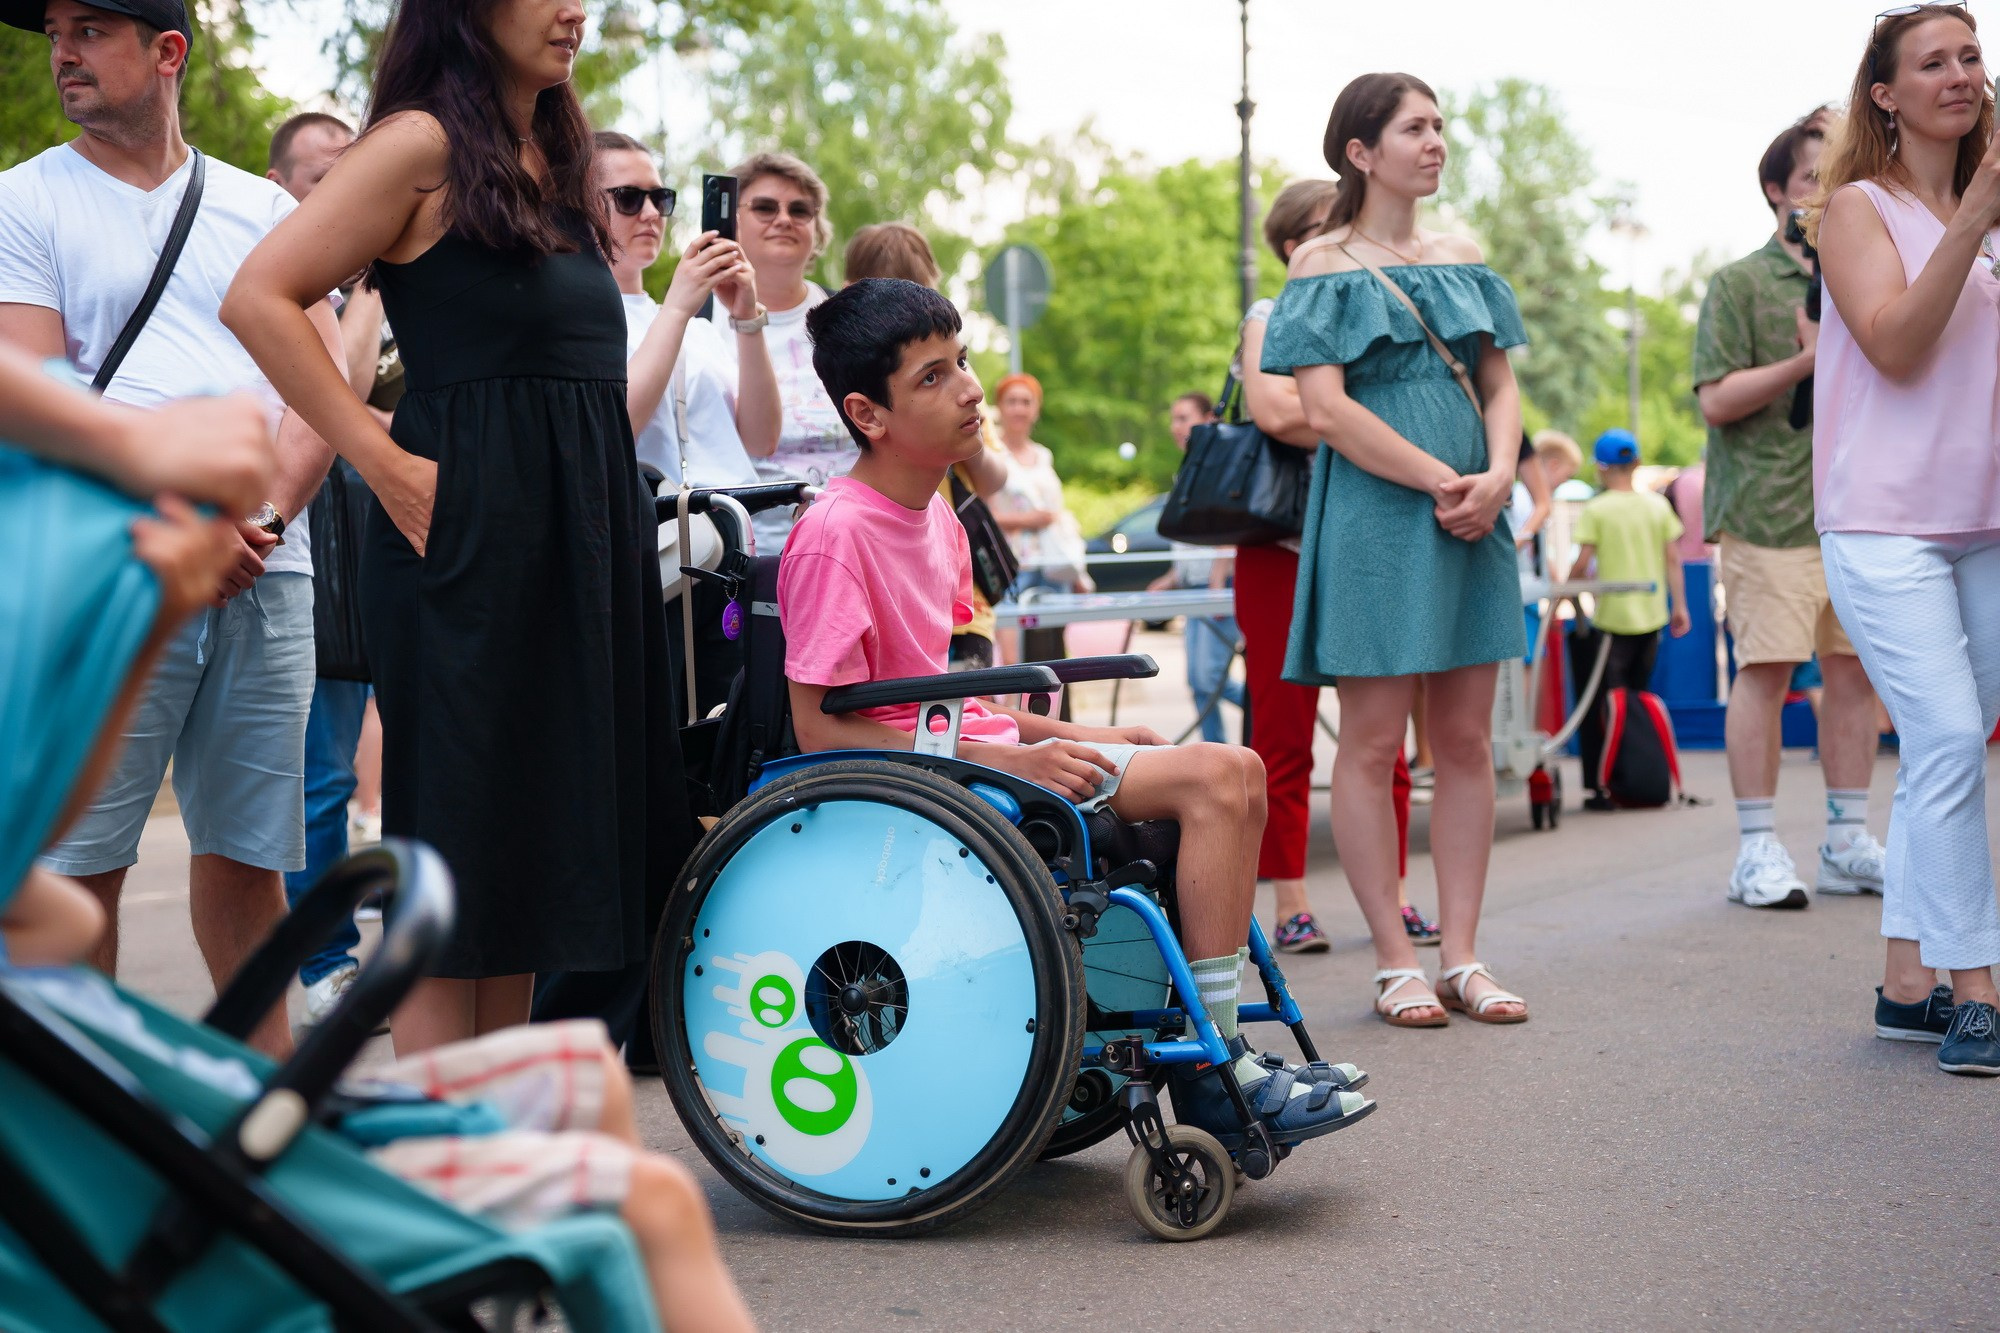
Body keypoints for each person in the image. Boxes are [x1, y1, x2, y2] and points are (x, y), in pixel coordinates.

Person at [787, 277, 1370, 1142]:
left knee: (1238, 770)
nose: (971, 389)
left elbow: (958, 697)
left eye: (965, 363)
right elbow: (820, 727)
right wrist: (1006, 761)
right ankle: (1218, 1068)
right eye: (934, 377)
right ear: (868, 414)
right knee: (1218, 778)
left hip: (986, 762)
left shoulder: (941, 519)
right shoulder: (838, 531)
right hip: (944, 789)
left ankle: (1223, 1052)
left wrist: (1074, 732)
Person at [221, 0, 697, 1056]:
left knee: (527, 863)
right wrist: (379, 458)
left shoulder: (553, 152)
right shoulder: (419, 144)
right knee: (456, 866)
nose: (574, 9)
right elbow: (259, 295)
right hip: (464, 536)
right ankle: (441, 1182)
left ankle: (492, 1158)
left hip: (572, 539)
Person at [0, 0, 346, 1059]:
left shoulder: (265, 209)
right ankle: (87, 1109)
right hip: (115, 562)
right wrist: (182, 515)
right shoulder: (23, 201)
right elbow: (38, 388)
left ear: (166, 52)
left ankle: (270, 1104)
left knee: (250, 858)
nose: (62, 51)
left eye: (92, 29)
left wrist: (267, 518)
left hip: (266, 563)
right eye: (54, 32)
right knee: (78, 860)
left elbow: (319, 388)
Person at [1264, 72, 1531, 1027]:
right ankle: (1393, 962)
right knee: (1373, 744)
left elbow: (1499, 386)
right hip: (1381, 518)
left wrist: (1498, 474)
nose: (1436, 142)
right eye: (1415, 128)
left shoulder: (1462, 255)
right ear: (1360, 151)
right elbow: (1324, 409)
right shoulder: (1321, 264)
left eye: (1439, 126)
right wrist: (1440, 481)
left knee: (1462, 742)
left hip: (1475, 515)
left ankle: (1461, 954)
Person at [1809, 2, 2000, 1076]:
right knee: (1941, 740)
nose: (1959, 74)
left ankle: (1900, 986)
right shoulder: (1855, 209)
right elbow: (1890, 345)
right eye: (1932, 61)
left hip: (1983, 515)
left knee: (1950, 747)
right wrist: (1972, 215)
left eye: (1970, 55)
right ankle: (1974, 990)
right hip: (1883, 520)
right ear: (1883, 92)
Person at [1694, 110, 1887, 912]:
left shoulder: (1876, 263)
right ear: (1777, 190)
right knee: (1767, 670)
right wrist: (1808, 356)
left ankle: (1847, 838)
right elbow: (1715, 401)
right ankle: (1757, 846)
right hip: (1768, 509)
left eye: (1836, 172)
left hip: (1861, 505)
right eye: (1810, 175)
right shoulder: (1740, 282)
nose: (1822, 188)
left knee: (1853, 672)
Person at [1235, 179, 1429, 955]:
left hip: (1366, 539)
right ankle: (1291, 900)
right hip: (1280, 549)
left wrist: (1348, 415)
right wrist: (1374, 421)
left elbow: (1316, 411)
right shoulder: (1268, 315)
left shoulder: (1377, 304)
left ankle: (1399, 893)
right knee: (1282, 736)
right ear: (1293, 247)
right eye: (1325, 227)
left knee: (1384, 734)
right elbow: (1278, 411)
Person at [265, 110, 386, 1028]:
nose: (341, 194)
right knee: (318, 777)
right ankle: (322, 965)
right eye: (320, 181)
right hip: (309, 556)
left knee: (363, 775)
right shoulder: (289, 288)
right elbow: (334, 385)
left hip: (384, 557)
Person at [596, 128, 777, 718]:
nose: (650, 213)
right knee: (670, 724)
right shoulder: (585, 318)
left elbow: (760, 437)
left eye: (661, 198)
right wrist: (677, 306)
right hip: (664, 551)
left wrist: (745, 318)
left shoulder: (698, 327)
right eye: (628, 198)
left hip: (732, 546)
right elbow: (613, 429)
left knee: (734, 728)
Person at [840, 221, 1010, 670]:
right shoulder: (857, 386)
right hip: (886, 597)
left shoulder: (963, 392)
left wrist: (962, 430)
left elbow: (995, 479)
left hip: (961, 606)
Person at [710, 151, 848, 554]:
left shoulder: (848, 315)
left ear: (817, 228)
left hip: (854, 545)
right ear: (731, 222)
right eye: (765, 207)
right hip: (743, 555)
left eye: (800, 210)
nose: (784, 219)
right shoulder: (694, 320)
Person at [1569, 429, 1691, 807]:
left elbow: (1583, 563)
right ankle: (1642, 775)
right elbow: (1673, 558)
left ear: (1600, 468)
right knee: (1639, 700)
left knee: (1609, 704)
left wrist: (1573, 598)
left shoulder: (1598, 509)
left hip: (1611, 622)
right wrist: (1680, 606)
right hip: (1651, 619)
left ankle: (1610, 782)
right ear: (1636, 463)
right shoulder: (1657, 507)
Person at [1153, 391, 1247, 745]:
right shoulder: (1188, 469)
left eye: (1184, 418)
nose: (1176, 427)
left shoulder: (1219, 464)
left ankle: (1260, 710)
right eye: (1174, 419)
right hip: (1196, 586)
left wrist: (1217, 580)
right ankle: (1217, 752)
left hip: (1216, 586)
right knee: (1198, 682)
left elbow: (1227, 529)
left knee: (1209, 678)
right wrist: (1170, 578)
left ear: (1209, 420)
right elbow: (1191, 540)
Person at [990, 372, 1091, 665]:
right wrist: (1027, 520)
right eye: (1012, 402)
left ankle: (1046, 713)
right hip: (1012, 565)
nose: (1019, 409)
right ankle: (1012, 711)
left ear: (1036, 408)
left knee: (1051, 660)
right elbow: (984, 517)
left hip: (1050, 565)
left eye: (1026, 401)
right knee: (1014, 661)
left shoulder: (1044, 455)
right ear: (1000, 407)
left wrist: (1078, 573)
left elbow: (1057, 515)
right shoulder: (991, 455)